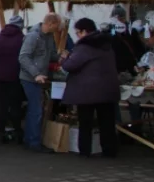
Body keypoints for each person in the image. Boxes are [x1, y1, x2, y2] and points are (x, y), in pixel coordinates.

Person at [62, 18, 119, 158]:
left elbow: (70, 65)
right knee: (107, 122)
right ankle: (109, 150)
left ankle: (85, 151)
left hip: (87, 92)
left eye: (77, 32)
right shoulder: (107, 44)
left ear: (84, 31)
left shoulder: (85, 46)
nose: (77, 36)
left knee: (85, 122)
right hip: (107, 89)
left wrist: (65, 58)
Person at [18, 12, 62, 152]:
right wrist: (36, 74)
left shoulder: (48, 37)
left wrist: (60, 56)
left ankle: (30, 140)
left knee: (35, 109)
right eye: (57, 26)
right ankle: (33, 142)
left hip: (39, 77)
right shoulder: (33, 36)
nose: (58, 29)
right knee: (35, 110)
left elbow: (51, 55)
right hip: (30, 78)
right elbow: (23, 57)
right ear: (50, 24)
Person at [0, 15, 26, 144]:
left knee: (1, 105)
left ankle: (1, 132)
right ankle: (18, 132)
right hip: (15, 76)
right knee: (15, 105)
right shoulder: (22, 39)